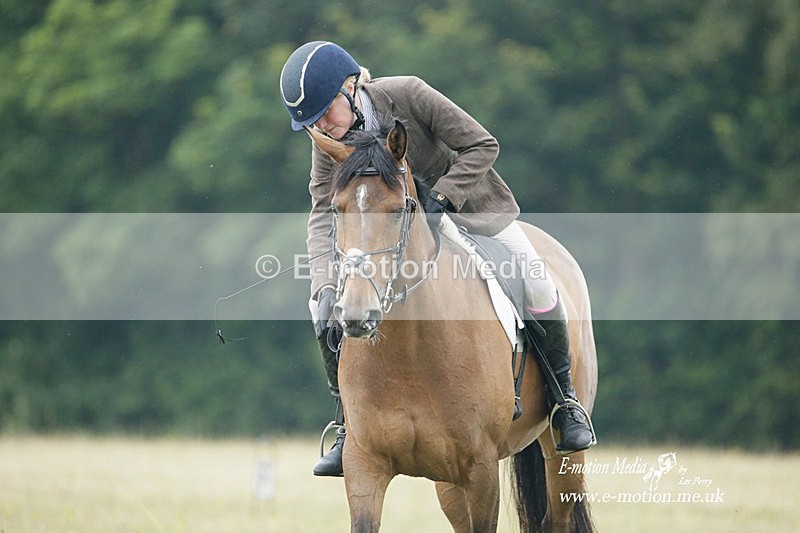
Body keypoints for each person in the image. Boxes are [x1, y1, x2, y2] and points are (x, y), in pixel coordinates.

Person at [280, 41, 595, 477]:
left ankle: (564, 402)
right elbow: (321, 210)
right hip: (391, 236)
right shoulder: (328, 139)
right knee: (321, 307)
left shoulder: (408, 94)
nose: (321, 128)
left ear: (350, 87)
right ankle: (347, 425)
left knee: (537, 280)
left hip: (468, 212)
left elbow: (482, 146)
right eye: (310, 123)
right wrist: (324, 281)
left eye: (323, 114)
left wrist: (442, 198)